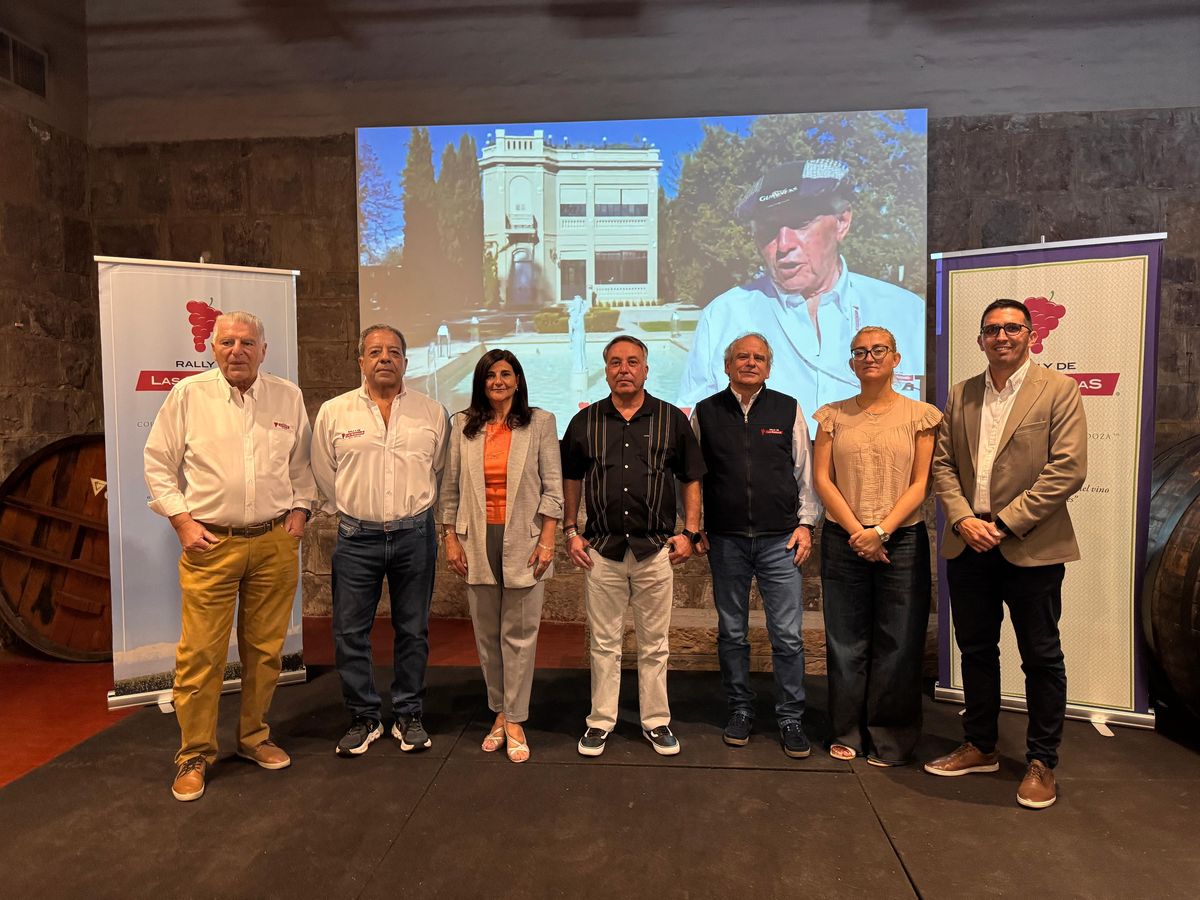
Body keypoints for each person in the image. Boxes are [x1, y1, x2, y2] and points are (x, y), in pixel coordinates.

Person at [144, 310, 317, 802]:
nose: (237, 351)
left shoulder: (288, 396)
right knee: (202, 654)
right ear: (212, 348)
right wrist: (182, 521)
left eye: (246, 342)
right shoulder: (188, 395)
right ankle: (194, 754)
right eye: (227, 342)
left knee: (265, 650)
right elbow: (158, 462)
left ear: (264, 350)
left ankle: (254, 737)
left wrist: (301, 509)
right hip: (211, 544)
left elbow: (300, 464)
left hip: (273, 542)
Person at [925, 299, 1086, 810]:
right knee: (976, 650)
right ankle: (980, 745)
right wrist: (962, 519)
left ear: (1030, 335)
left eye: (1012, 328)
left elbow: (1067, 469)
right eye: (992, 329)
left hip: (1030, 544)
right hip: (968, 541)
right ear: (980, 340)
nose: (1002, 336)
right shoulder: (962, 393)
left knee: (1041, 656)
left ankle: (1042, 761)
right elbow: (943, 465)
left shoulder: (1058, 390)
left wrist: (1004, 523)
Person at [678, 159, 925, 428]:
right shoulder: (723, 316)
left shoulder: (906, 312)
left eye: (800, 223)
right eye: (768, 230)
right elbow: (692, 422)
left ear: (842, 221)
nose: (784, 244)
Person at [561, 335, 706, 757]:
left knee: (655, 643)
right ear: (605, 370)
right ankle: (600, 721)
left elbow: (691, 478)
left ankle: (656, 721)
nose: (623, 369)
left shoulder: (671, 419)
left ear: (646, 369)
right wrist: (570, 530)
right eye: (615, 362)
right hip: (602, 550)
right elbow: (571, 478)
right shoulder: (584, 422)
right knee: (603, 643)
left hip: (655, 550)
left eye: (632, 362)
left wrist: (690, 532)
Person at [311, 324, 449, 758]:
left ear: (406, 361)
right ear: (361, 362)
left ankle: (408, 714)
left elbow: (439, 470)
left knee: (413, 630)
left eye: (393, 351)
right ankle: (364, 717)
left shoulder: (432, 412)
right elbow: (324, 472)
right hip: (357, 538)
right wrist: (353, 510)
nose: (384, 358)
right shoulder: (334, 412)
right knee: (350, 632)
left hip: (415, 536)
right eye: (375, 352)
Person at [811, 325, 942, 766]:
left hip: (901, 538)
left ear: (896, 358)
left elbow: (921, 483)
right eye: (860, 351)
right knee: (845, 640)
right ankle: (847, 730)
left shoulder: (921, 415)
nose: (869, 357)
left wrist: (881, 531)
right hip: (843, 537)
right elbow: (822, 479)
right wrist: (859, 533)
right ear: (851, 362)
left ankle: (890, 737)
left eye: (878, 349)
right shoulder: (831, 415)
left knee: (899, 640)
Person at [690, 333, 821, 758]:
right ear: (727, 366)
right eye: (742, 357)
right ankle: (740, 709)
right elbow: (691, 478)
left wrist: (806, 525)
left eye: (759, 358)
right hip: (725, 541)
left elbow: (805, 472)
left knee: (787, 636)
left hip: (780, 541)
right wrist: (693, 526)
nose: (750, 363)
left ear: (768, 366)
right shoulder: (705, 412)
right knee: (732, 632)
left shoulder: (788, 408)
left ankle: (790, 717)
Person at [438, 349, 563, 763]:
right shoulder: (463, 425)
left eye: (506, 374)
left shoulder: (540, 422)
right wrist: (450, 538)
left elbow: (553, 490)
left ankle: (515, 718)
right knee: (487, 636)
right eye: (490, 375)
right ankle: (499, 711)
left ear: (518, 380)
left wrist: (548, 541)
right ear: (481, 382)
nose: (498, 381)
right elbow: (450, 488)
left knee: (520, 635)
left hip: (525, 541)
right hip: (475, 540)